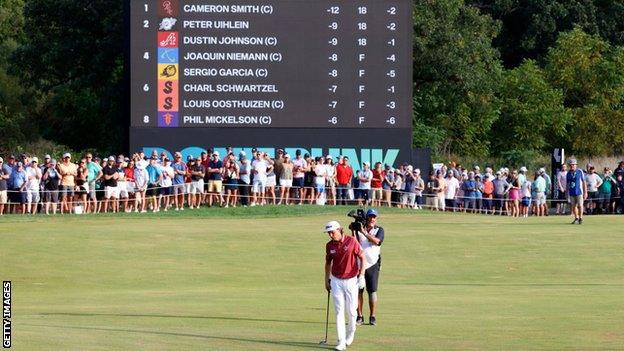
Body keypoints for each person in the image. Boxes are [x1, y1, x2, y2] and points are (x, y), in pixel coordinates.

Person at [324, 220, 366, 351]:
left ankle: (351, 333)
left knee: (352, 312)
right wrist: (326, 279)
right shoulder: (329, 245)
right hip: (336, 280)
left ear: (340, 230)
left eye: (332, 232)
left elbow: (362, 257)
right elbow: (328, 263)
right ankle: (341, 341)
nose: (331, 235)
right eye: (328, 233)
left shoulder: (352, 241)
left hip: (352, 280)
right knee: (339, 311)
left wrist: (362, 275)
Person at [354, 209, 384, 327]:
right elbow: (355, 243)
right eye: (370, 217)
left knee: (372, 291)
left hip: (373, 264)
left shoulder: (379, 230)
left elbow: (377, 241)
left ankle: (372, 316)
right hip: (359, 264)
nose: (372, 219)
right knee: (358, 291)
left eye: (374, 217)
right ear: (366, 218)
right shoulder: (359, 229)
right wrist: (355, 231)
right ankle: (359, 316)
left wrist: (364, 232)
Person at [566, 158, 587, 224]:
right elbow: (567, 184)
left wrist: (585, 192)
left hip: (579, 192)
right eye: (571, 165)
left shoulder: (580, 171)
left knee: (580, 205)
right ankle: (576, 218)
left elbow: (584, 182)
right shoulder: (568, 173)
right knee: (573, 206)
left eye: (573, 165)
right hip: (572, 192)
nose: (572, 166)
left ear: (576, 165)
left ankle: (580, 218)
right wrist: (567, 193)